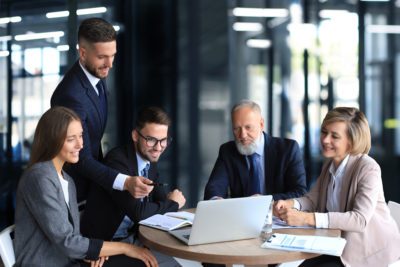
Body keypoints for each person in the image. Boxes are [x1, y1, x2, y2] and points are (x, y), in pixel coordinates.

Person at [14, 106, 158, 267]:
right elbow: (67, 242)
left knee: (143, 262)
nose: (80, 145)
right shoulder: (39, 178)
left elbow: (72, 240)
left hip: (70, 261)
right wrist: (125, 248)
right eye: (71, 139)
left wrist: (95, 252)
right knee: (140, 262)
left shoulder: (66, 179)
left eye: (81, 136)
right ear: (52, 140)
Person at [274, 107, 400, 267]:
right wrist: (291, 204)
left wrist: (306, 218)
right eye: (324, 132)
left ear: (352, 141)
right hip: (336, 244)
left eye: (334, 136)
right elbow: (313, 199)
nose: (325, 140)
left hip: (366, 253)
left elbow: (359, 220)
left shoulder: (368, 168)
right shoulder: (329, 164)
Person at [51, 17, 151, 202]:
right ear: (82, 53)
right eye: (102, 57)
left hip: (92, 183)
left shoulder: (96, 75)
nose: (110, 64)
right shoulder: (71, 96)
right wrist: (125, 182)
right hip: (73, 192)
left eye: (112, 55)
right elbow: (81, 158)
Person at [81, 106, 185, 266]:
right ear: (135, 135)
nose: (158, 147)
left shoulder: (150, 159)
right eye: (151, 140)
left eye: (163, 140)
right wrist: (174, 203)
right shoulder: (117, 161)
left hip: (135, 239)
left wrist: (167, 204)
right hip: (105, 247)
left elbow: (159, 202)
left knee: (185, 262)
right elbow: (140, 213)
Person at [204, 99, 307, 201]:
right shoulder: (227, 151)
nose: (243, 135)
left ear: (261, 124)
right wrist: (216, 201)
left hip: (276, 215)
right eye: (237, 129)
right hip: (240, 215)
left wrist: (264, 201)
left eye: (248, 127)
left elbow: (299, 192)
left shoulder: (288, 150)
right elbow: (214, 187)